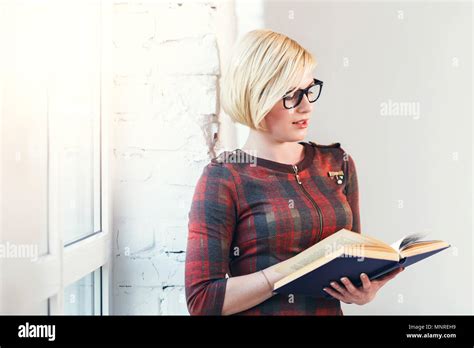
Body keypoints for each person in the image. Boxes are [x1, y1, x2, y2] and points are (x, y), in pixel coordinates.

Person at [185, 29, 403, 315]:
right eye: (291, 95)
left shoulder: (338, 162)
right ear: (255, 96)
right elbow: (202, 300)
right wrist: (297, 269)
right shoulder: (224, 177)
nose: (306, 106)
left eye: (309, 90)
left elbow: (353, 259)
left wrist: (363, 290)